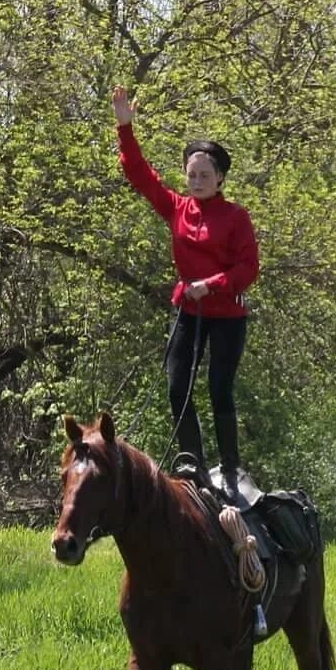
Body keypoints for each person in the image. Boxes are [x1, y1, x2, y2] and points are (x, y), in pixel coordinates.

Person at [111, 86, 259, 501]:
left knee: (218, 389)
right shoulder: (177, 207)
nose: (195, 182)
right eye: (191, 175)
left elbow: (248, 269)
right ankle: (192, 460)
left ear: (221, 180)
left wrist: (209, 285)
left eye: (204, 176)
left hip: (226, 315)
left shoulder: (235, 217)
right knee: (178, 387)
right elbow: (141, 175)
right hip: (188, 312)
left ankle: (230, 466)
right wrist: (126, 127)